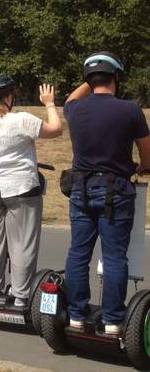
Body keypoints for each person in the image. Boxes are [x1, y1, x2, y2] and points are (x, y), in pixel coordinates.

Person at [62, 52, 150, 334]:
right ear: (115, 78)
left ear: (89, 80)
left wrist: (89, 79)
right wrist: (143, 167)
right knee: (114, 257)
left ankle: (76, 315)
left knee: (78, 253)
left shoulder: (76, 110)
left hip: (81, 189)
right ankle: (113, 319)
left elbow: (69, 100)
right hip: (115, 191)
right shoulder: (130, 110)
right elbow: (147, 152)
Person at [0, 76, 63, 307]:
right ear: (9, 97)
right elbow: (56, 129)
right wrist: (49, 103)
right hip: (20, 188)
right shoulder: (21, 120)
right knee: (22, 244)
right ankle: (21, 296)